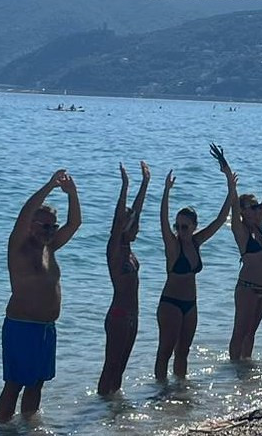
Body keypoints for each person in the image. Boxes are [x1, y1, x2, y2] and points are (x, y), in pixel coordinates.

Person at [0, 170, 82, 418]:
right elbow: (24, 214)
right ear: (31, 226)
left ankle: (28, 434)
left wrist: (73, 194)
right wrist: (49, 185)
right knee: (14, 385)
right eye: (44, 225)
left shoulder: (50, 248)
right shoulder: (19, 247)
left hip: (46, 328)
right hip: (21, 326)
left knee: (37, 384)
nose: (50, 230)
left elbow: (75, 223)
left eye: (52, 226)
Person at [155, 157, 236, 380]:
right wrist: (166, 192)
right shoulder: (173, 246)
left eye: (185, 226)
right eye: (178, 226)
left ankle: (180, 389)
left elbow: (220, 220)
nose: (180, 230)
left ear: (193, 227)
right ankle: (160, 391)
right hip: (170, 303)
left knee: (184, 351)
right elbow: (162, 221)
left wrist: (230, 186)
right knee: (165, 351)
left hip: (190, 304)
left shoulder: (196, 242)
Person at [99, 162, 149, 395]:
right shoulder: (115, 249)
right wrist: (125, 186)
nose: (137, 229)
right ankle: (99, 408)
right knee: (110, 367)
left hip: (133, 315)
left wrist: (146, 183)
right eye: (134, 226)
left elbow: (135, 211)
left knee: (120, 368)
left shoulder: (129, 250)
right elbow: (122, 218)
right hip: (118, 314)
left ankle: (113, 410)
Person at [228, 150, 262, 360]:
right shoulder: (240, 230)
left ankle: (245, 367)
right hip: (247, 288)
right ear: (243, 211)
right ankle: (233, 369)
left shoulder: (259, 226)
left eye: (258, 207)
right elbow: (233, 203)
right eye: (253, 207)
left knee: (251, 333)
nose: (258, 209)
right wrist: (231, 183)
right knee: (240, 333)